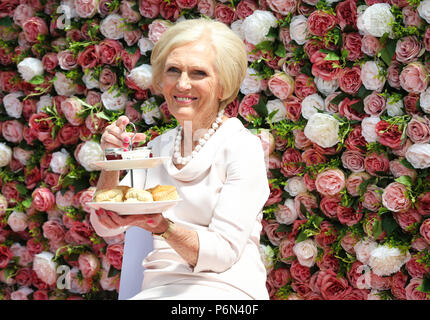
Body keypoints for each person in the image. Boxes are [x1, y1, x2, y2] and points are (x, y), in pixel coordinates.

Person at [90, 18, 270, 300]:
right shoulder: (158, 147)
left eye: (198, 73)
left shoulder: (242, 148)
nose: (183, 84)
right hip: (158, 291)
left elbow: (222, 254)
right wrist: (113, 160)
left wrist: (162, 227)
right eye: (173, 70)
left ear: (223, 86)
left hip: (226, 291)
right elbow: (104, 223)